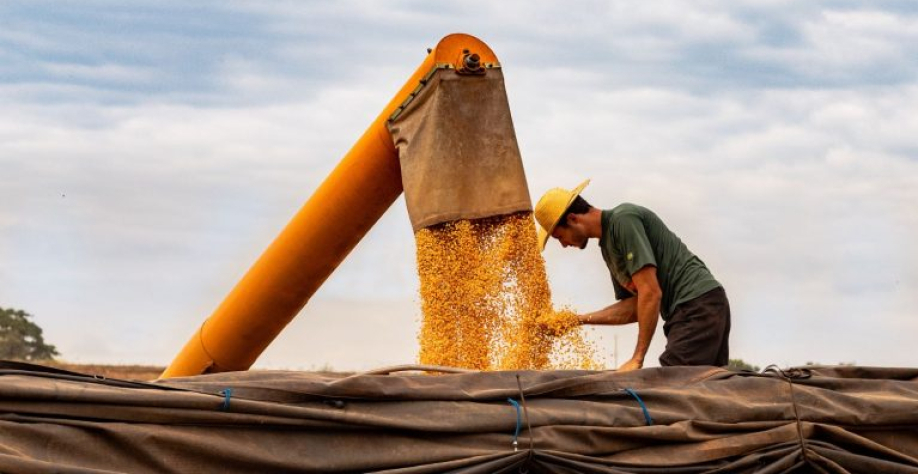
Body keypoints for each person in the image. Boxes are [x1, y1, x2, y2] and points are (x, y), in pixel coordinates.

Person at [534, 179, 730, 372]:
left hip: (697, 304)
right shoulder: (608, 249)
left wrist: (637, 358)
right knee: (704, 389)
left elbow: (651, 293)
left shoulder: (624, 220)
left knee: (672, 382)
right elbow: (635, 307)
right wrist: (577, 320)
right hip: (690, 310)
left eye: (559, 237)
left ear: (573, 219)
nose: (564, 245)